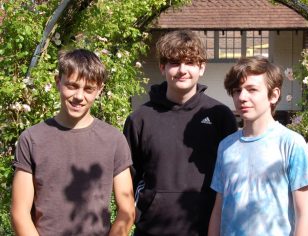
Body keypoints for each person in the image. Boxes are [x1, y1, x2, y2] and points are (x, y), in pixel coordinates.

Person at [123, 30, 238, 236]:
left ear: (201, 68)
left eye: (190, 62)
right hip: (153, 229)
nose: (182, 70)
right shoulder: (139, 119)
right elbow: (128, 180)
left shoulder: (220, 116)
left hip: (207, 229)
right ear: (162, 67)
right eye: (175, 63)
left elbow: (232, 176)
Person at [11, 49, 135, 236]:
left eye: (88, 89)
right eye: (72, 86)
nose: (79, 96)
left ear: (99, 90)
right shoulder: (32, 139)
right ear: (57, 82)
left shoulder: (114, 140)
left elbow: (127, 210)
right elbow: (19, 212)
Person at [208, 56, 308, 236]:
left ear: (274, 95)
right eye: (236, 90)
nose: (242, 97)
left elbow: (304, 214)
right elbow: (219, 208)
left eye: (252, 90)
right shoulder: (226, 146)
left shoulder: (291, 143)